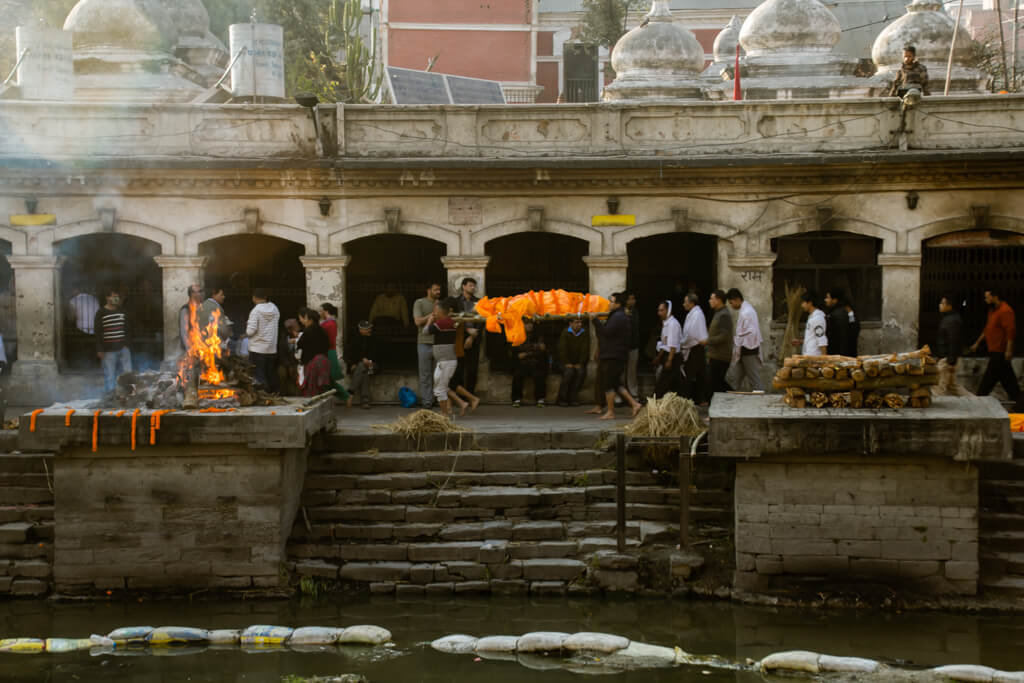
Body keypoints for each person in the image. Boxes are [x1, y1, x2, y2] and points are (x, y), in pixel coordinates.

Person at [592, 292, 642, 420]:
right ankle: (635, 404)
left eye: (612, 302)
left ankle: (610, 412)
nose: (610, 304)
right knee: (616, 384)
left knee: (609, 384)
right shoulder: (616, 315)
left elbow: (606, 333)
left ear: (618, 304)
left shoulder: (618, 316)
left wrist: (595, 320)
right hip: (613, 354)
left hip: (613, 355)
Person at [970, 289, 1019, 403]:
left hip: (1000, 351)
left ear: (995, 297)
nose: (985, 300)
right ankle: (1019, 401)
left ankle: (979, 400)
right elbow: (988, 329)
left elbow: (1010, 331)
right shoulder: (993, 311)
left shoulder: (1006, 311)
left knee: (989, 378)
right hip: (994, 350)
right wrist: (977, 343)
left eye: (987, 297)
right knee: (1008, 380)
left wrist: (1008, 350)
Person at [423, 298, 462, 418]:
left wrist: (429, 321)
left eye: (435, 310)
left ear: (441, 311)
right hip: (443, 362)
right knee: (440, 389)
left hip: (446, 362)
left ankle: (445, 414)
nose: (434, 313)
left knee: (440, 390)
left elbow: (425, 331)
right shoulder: (449, 321)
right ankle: (446, 411)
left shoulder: (442, 323)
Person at [727, 288, 764, 392]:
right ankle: (730, 400)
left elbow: (751, 334)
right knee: (735, 379)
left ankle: (761, 401)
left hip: (749, 350)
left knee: (754, 380)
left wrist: (740, 344)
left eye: (731, 302)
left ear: (737, 299)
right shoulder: (745, 310)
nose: (731, 305)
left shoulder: (747, 312)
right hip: (744, 350)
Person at [95, 288, 132, 394]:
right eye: (113, 296)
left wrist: (127, 345)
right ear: (107, 298)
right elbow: (98, 332)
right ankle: (110, 397)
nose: (116, 298)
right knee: (110, 376)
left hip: (123, 348)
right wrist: (100, 349)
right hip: (108, 350)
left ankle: (129, 395)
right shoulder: (101, 313)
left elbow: (128, 329)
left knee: (127, 374)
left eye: (117, 296)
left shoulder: (122, 311)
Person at [413, 282, 442, 409]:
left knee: (439, 374)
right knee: (425, 374)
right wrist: (432, 314)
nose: (438, 292)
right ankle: (427, 401)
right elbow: (417, 321)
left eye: (439, 290)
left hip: (439, 342)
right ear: (428, 290)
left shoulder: (442, 304)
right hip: (424, 342)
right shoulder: (419, 303)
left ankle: (437, 399)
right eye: (435, 290)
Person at [246, 288, 280, 392]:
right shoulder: (274, 308)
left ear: (254, 298)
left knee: (259, 374)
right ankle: (275, 394)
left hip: (257, 348)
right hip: (271, 348)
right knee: (270, 373)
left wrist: (247, 325)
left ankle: (264, 395)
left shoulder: (255, 311)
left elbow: (250, 331)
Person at [319, 302, 351, 406]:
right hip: (327, 352)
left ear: (326, 311)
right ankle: (346, 396)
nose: (320, 313)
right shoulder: (328, 323)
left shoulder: (330, 324)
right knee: (328, 379)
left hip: (328, 353)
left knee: (328, 379)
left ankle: (346, 396)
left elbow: (331, 341)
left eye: (321, 310)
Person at [934, 295, 967, 396]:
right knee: (953, 387)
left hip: (946, 359)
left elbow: (954, 341)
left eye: (942, 303)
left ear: (949, 306)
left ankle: (936, 411)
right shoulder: (949, 319)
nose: (940, 305)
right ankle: (979, 403)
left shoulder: (951, 321)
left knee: (938, 387)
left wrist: (951, 361)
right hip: (946, 358)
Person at [511, 319, 548, 408]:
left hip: (535, 362)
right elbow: (516, 351)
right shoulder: (518, 335)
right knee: (518, 375)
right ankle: (516, 399)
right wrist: (535, 347)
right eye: (527, 323)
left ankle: (540, 399)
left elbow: (542, 350)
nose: (529, 325)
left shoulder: (538, 335)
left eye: (531, 323)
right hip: (522, 363)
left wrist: (526, 353)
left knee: (539, 375)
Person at [680, 293, 708, 404]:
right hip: (693, 347)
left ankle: (690, 399)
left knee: (691, 374)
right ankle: (699, 399)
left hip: (695, 348)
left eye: (685, 302)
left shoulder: (697, 315)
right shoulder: (693, 314)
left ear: (691, 303)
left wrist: (682, 344)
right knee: (699, 374)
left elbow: (692, 334)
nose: (683, 304)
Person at [455, 278, 482, 394]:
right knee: (459, 368)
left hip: (474, 337)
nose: (473, 288)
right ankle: (460, 396)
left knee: (472, 369)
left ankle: (470, 395)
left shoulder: (479, 301)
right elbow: (455, 320)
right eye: (470, 285)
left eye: (474, 286)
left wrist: (472, 337)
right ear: (463, 287)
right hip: (460, 338)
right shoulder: (456, 302)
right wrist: (466, 332)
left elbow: (482, 321)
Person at [297, 307, 330, 397]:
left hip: (312, 362)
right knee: (320, 388)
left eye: (302, 318)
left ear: (309, 319)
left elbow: (300, 345)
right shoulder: (322, 330)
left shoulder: (308, 331)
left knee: (312, 388)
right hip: (323, 361)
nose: (301, 321)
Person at [705, 289, 733, 395]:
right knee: (716, 384)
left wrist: (708, 341)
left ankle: (736, 397)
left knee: (717, 384)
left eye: (712, 299)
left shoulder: (724, 315)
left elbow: (724, 336)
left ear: (719, 300)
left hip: (721, 356)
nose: (709, 301)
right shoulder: (718, 313)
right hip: (715, 355)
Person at [556, 316, 589, 407]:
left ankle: (573, 398)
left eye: (580, 322)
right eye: (576, 322)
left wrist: (580, 363)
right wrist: (566, 362)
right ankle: (562, 399)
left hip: (578, 363)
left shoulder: (584, 333)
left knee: (581, 373)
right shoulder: (565, 333)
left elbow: (585, 350)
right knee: (568, 373)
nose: (579, 324)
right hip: (564, 362)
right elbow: (562, 349)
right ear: (570, 324)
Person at [653, 300, 683, 398]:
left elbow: (672, 345)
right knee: (675, 384)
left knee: (662, 384)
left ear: (668, 310)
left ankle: (655, 402)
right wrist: (659, 357)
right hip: (668, 356)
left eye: (662, 310)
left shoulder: (673, 324)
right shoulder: (666, 323)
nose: (659, 313)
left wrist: (669, 360)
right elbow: (664, 343)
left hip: (672, 357)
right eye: (659, 310)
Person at [347, 320, 377, 409]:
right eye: (367, 329)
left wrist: (369, 361)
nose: (369, 330)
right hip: (360, 367)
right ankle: (365, 401)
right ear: (360, 329)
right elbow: (349, 355)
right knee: (364, 371)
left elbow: (377, 355)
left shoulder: (374, 339)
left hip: (372, 367)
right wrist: (354, 363)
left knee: (363, 367)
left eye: (370, 328)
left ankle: (350, 392)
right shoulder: (354, 340)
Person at [797, 291, 828, 356]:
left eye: (803, 303)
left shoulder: (818, 318)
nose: (802, 305)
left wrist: (824, 359)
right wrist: (801, 341)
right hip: (808, 355)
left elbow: (821, 339)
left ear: (810, 303)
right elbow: (812, 337)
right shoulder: (811, 317)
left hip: (814, 356)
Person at [277, 318, 301, 396]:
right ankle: (283, 392)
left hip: (295, 363)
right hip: (284, 363)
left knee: (294, 374)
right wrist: (287, 365)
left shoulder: (300, 336)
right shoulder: (283, 338)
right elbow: (281, 354)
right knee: (282, 373)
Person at [824, 289, 851, 357]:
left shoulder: (839, 314)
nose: (825, 300)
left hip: (838, 353)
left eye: (828, 297)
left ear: (835, 300)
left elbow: (842, 336)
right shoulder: (835, 312)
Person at [624, 291, 640, 398]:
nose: (632, 301)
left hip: (633, 346)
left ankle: (633, 394)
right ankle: (619, 397)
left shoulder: (635, 312)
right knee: (621, 372)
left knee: (631, 372)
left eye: (634, 298)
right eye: (630, 298)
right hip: (622, 347)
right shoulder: (621, 313)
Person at [179, 283, 203, 352]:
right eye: (195, 292)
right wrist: (189, 349)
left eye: (200, 291)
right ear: (190, 294)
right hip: (192, 348)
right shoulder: (186, 310)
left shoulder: (202, 308)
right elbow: (184, 332)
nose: (199, 294)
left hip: (203, 348)